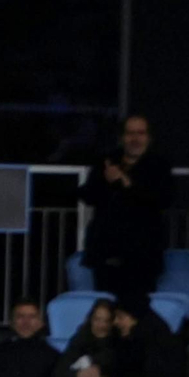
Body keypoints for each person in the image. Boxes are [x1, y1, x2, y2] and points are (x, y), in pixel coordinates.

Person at [77, 113, 173, 302]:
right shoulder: (107, 161)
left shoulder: (158, 165)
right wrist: (105, 180)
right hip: (107, 253)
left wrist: (128, 183)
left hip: (143, 255)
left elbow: (164, 200)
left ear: (149, 137)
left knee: (137, 311)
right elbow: (87, 195)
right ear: (122, 137)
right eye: (130, 133)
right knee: (105, 309)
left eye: (140, 133)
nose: (135, 139)